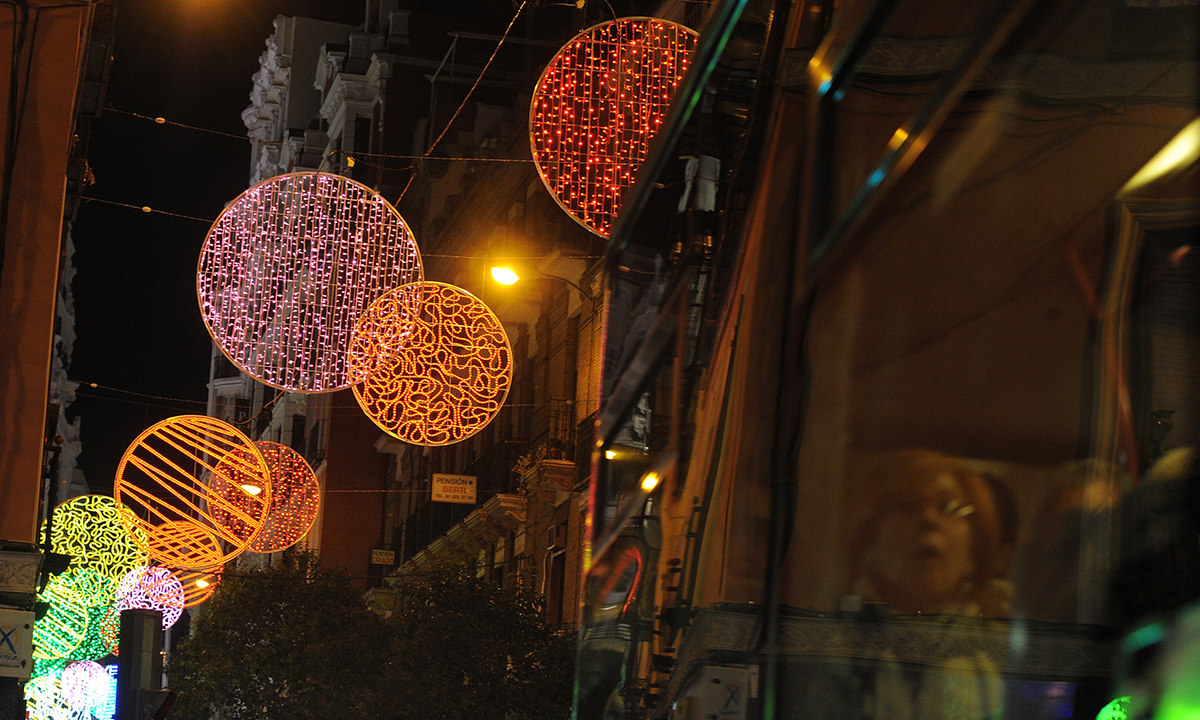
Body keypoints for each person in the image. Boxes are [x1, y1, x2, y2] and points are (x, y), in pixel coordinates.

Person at [845, 449, 1017, 618]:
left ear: (973, 554)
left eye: (947, 507)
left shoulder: (1012, 638)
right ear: (871, 541)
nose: (928, 518)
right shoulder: (831, 633)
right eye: (907, 505)